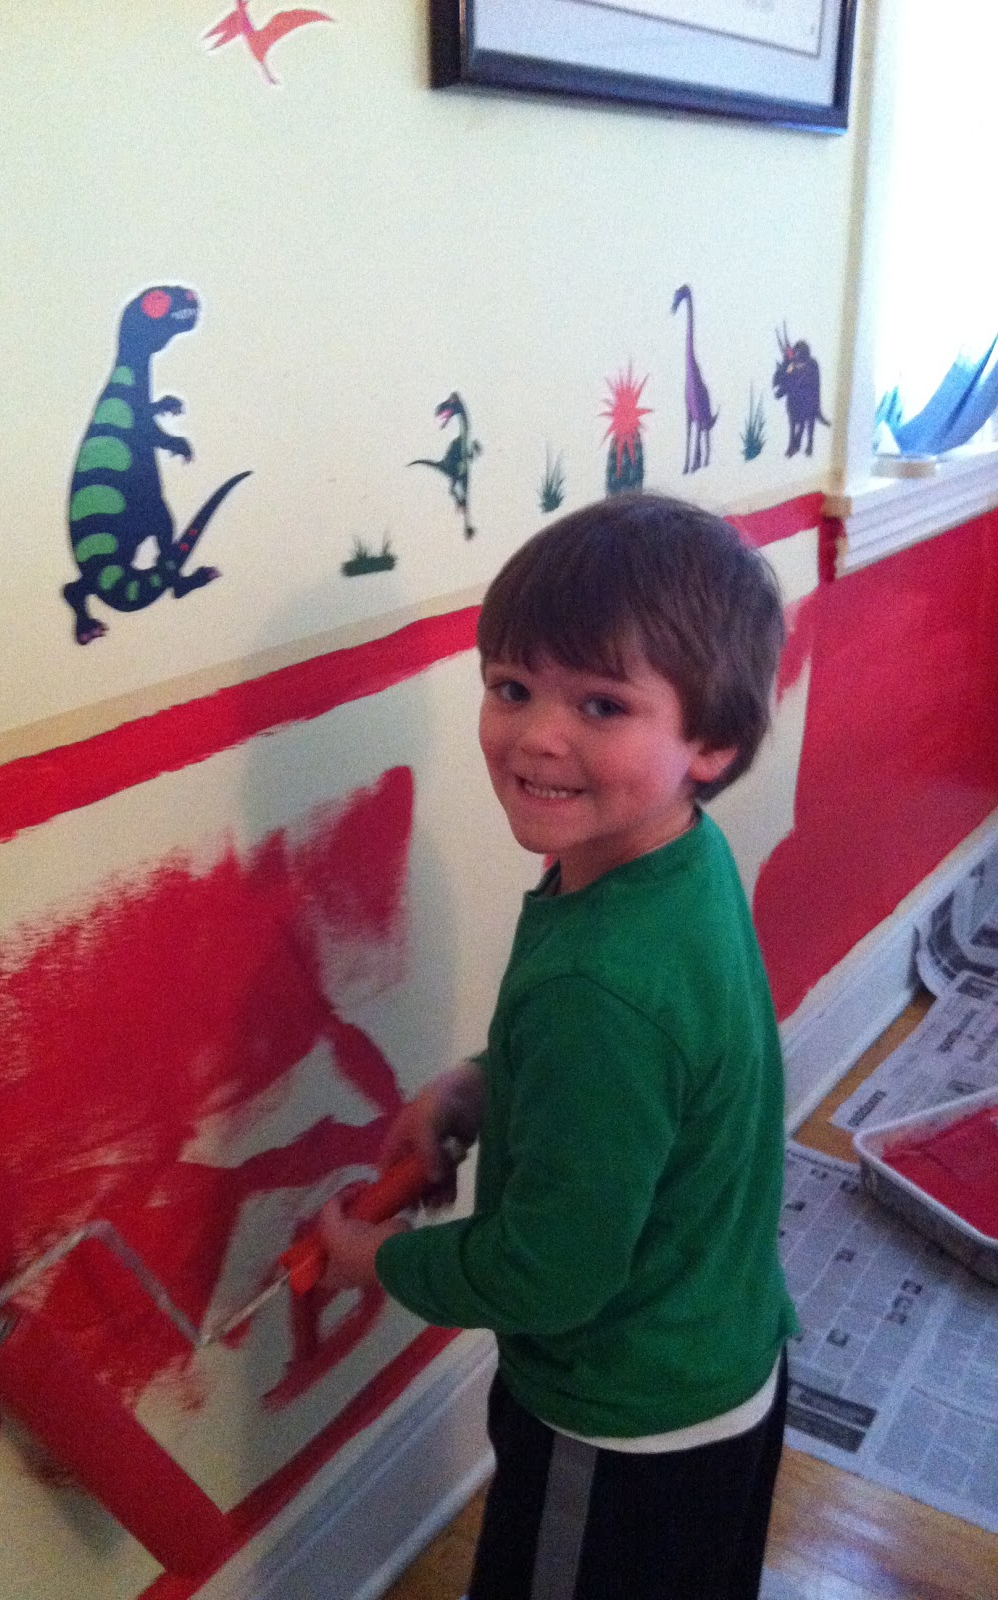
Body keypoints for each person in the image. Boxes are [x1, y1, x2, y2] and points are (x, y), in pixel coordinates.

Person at [318, 494, 800, 1600]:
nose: (537, 734)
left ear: (711, 744)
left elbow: (549, 1275)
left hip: (620, 1426)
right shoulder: (676, 862)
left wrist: (375, 1262)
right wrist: (474, 1090)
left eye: (601, 703)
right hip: (718, 1361)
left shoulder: (598, 986)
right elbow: (650, 1083)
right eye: (510, 687)